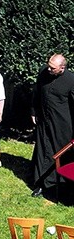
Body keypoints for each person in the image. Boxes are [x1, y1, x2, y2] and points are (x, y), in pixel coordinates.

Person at [31, 54, 74, 197]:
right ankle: (40, 183)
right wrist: (33, 111)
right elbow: (36, 93)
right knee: (42, 150)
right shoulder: (44, 72)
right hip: (43, 120)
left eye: (53, 68)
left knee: (59, 154)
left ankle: (58, 184)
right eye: (48, 65)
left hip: (61, 125)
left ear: (62, 68)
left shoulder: (71, 80)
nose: (48, 69)